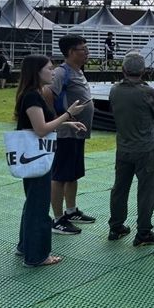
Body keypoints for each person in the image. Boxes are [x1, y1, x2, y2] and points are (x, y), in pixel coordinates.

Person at [13, 55, 86, 267]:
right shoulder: (32, 97)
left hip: (33, 156)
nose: (53, 72)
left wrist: (67, 123)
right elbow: (41, 129)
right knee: (38, 205)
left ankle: (25, 246)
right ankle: (36, 256)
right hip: (35, 157)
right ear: (37, 72)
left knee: (33, 202)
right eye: (49, 69)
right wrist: (68, 114)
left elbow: (41, 124)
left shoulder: (34, 94)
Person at [108, 52, 154, 245]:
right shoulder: (147, 92)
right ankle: (143, 232)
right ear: (143, 70)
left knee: (119, 188)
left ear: (123, 69)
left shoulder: (115, 90)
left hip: (123, 146)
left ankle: (116, 226)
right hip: (144, 148)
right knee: (146, 190)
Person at [45, 35, 95, 235]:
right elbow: (48, 94)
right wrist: (59, 119)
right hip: (65, 133)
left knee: (73, 173)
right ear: (71, 52)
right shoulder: (61, 72)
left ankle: (71, 211)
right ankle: (58, 219)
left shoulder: (77, 71)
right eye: (83, 49)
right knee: (60, 175)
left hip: (77, 133)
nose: (87, 53)